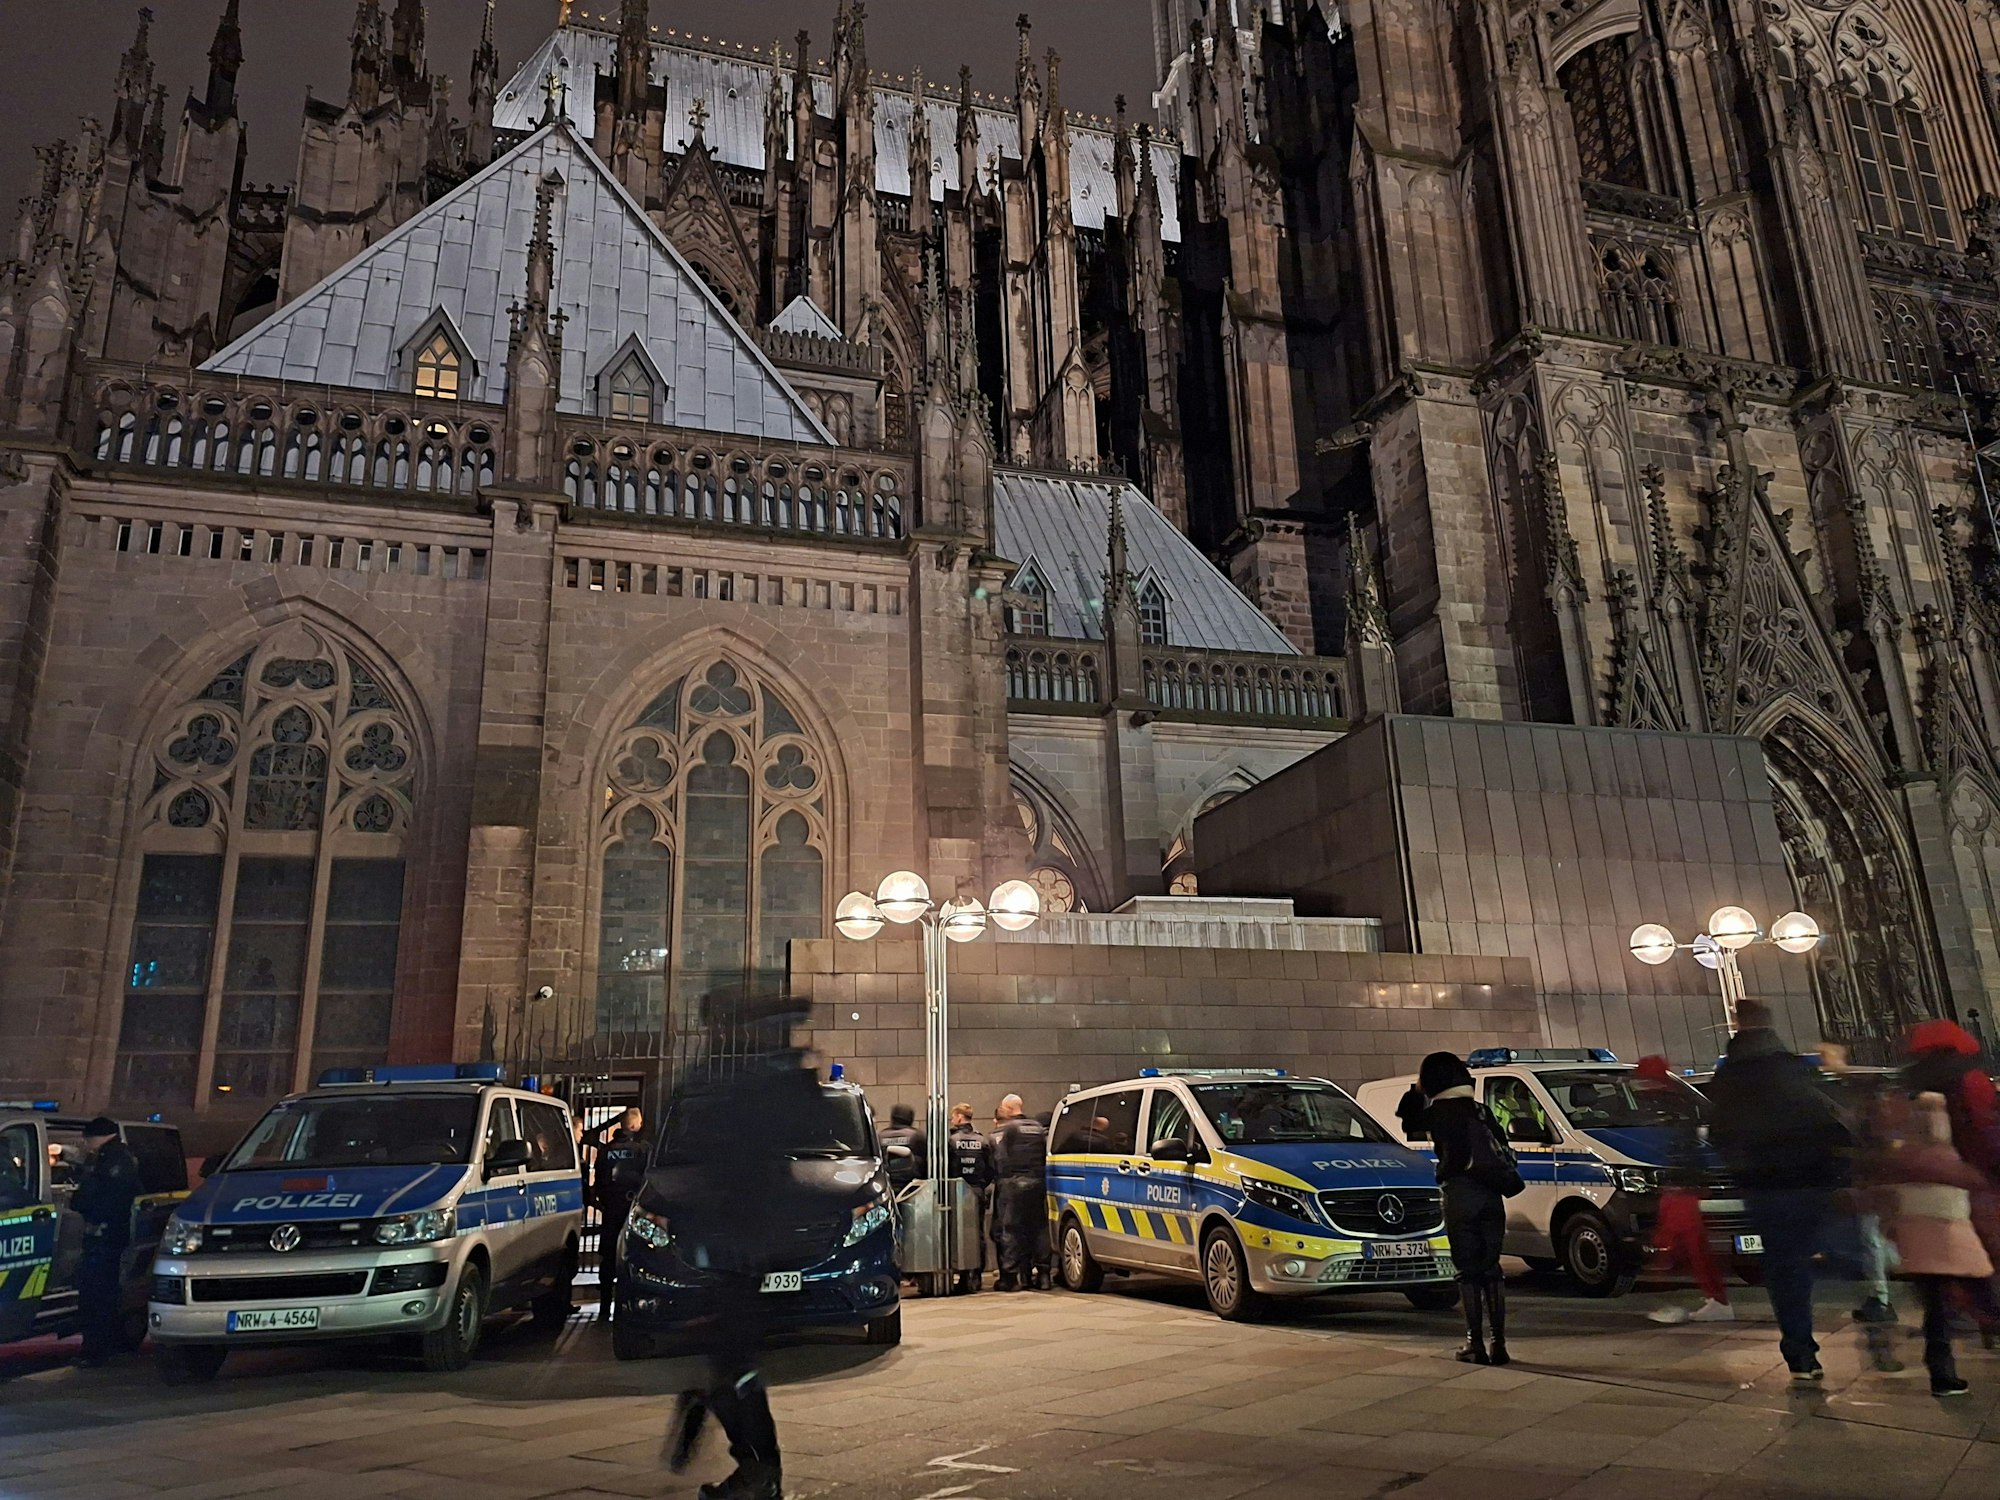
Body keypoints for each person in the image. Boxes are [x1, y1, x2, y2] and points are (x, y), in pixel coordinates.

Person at [661, 992, 829, 1500]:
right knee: (731, 1363)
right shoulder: (744, 1081)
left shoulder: (756, 1084)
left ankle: (758, 1472)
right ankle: (753, 1466)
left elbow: (740, 1155)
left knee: (735, 1367)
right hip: (734, 1243)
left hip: (743, 1244)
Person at [1705, 999, 1855, 1382]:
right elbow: (1829, 1117)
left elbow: (1719, 1133)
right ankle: (1873, 1305)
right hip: (1810, 1178)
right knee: (1834, 1249)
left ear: (1738, 1027)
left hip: (1764, 1185)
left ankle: (1801, 1351)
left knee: (1785, 1267)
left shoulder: (1729, 1078)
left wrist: (1742, 1166)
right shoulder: (1794, 1070)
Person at [1872, 1091, 1995, 1396]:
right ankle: (1942, 1370)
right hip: (1951, 1236)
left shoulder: (1902, 1153)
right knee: (1986, 1296)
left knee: (1936, 1309)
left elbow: (1888, 1201)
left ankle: (1941, 1372)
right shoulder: (1948, 1152)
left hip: (1917, 1241)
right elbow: (1971, 1181)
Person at [1403, 1051, 1512, 1365]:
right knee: (1492, 1270)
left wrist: (1416, 1090)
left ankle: (1473, 1343)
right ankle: (1500, 1344)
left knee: (1467, 1272)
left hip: (1460, 1195)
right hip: (1492, 1194)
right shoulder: (1481, 1111)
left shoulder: (1440, 1112)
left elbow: (1408, 1120)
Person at [1634, 1055, 1733, 1326]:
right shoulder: (1677, 1103)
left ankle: (1716, 1300)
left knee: (1680, 1245)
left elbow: (1677, 1147)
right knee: (1684, 1245)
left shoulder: (1664, 1107)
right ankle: (1714, 1299)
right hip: (1683, 1185)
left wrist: (1679, 1181)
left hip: (1681, 1187)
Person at [72, 1117, 141, 1366]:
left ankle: (95, 1351)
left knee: (96, 1295)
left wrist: (78, 1201)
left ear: (100, 1136)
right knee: (105, 1294)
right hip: (111, 1237)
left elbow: (96, 1197)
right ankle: (107, 1345)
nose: (86, 1143)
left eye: (88, 1138)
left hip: (105, 1237)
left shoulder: (112, 1160)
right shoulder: (117, 1157)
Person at [590, 1106, 648, 1323]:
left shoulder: (606, 1151)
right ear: (634, 1125)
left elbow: (598, 1183)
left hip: (611, 1212)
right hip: (634, 1211)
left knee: (608, 1258)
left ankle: (605, 1307)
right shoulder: (643, 1150)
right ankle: (629, 1308)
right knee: (635, 1256)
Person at [988, 1094, 1049, 1292]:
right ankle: (1043, 1276)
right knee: (1039, 1229)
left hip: (1012, 1185)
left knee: (1010, 1230)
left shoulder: (1009, 1129)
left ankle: (1010, 1278)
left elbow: (1000, 1158)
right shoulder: (1038, 1128)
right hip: (1037, 1183)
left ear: (1006, 1108)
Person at [947, 1103, 992, 1293]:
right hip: (977, 1191)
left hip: (956, 1190)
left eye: (952, 1117)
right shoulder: (982, 1141)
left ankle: (963, 1276)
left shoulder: (951, 1140)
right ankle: (977, 1275)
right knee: (978, 1233)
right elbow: (990, 1170)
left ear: (958, 1117)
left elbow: (946, 1167)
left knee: (958, 1233)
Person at [879, 1103, 927, 1194]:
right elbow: (926, 1162)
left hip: (887, 1184)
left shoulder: (880, 1136)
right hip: (912, 1186)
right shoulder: (917, 1135)